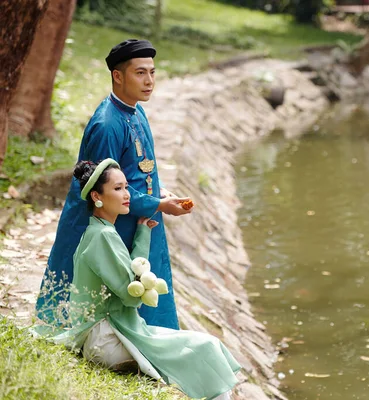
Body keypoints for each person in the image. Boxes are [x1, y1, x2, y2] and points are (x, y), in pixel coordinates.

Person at [35, 159, 240, 400]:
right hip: (108, 338)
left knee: (201, 347)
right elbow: (131, 296)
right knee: (206, 347)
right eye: (118, 188)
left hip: (107, 333)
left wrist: (142, 233)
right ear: (96, 196)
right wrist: (144, 270)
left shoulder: (99, 232)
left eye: (126, 187)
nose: (127, 195)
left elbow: (130, 280)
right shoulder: (102, 237)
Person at [36, 39, 188, 329]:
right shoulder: (107, 124)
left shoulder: (135, 110)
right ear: (118, 76)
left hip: (137, 214)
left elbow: (142, 165)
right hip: (115, 221)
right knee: (113, 289)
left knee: (144, 281)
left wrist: (160, 191)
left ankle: (147, 344)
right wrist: (157, 204)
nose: (149, 81)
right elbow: (105, 186)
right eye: (140, 73)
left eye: (153, 73)